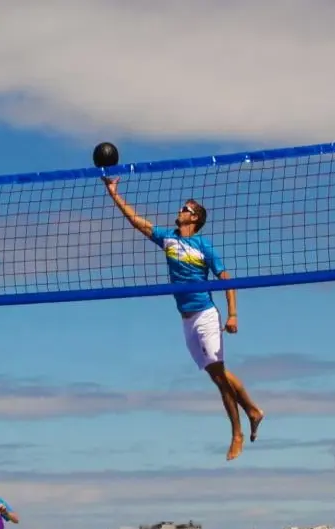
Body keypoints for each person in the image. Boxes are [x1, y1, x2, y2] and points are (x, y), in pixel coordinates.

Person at [103, 177, 264, 461]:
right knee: (218, 374)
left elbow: (227, 280)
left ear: (195, 218)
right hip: (186, 320)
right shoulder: (169, 239)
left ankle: (237, 433)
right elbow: (136, 221)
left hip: (205, 315)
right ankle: (252, 410)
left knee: (218, 377)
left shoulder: (204, 246)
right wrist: (113, 192)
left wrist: (233, 314)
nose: (180, 210)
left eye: (186, 208)